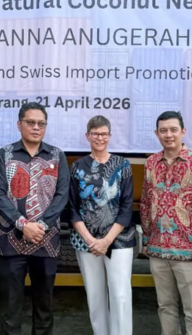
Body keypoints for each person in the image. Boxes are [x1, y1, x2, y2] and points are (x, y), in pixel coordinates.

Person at [0, 102, 70, 335]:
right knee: (10, 306)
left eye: (41, 124)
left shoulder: (57, 155)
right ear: (19, 125)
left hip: (46, 241)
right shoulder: (4, 154)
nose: (36, 127)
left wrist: (40, 226)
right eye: (31, 122)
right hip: (10, 241)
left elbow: (62, 195)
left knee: (44, 305)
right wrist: (23, 224)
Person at [140, 111, 192, 335]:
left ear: (183, 132)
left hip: (189, 251)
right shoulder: (151, 162)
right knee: (165, 306)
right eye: (163, 130)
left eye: (173, 130)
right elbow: (146, 203)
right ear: (157, 133)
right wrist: (146, 239)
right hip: (157, 249)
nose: (169, 135)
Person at [69, 115, 135, 335]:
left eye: (104, 134)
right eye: (95, 134)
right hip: (86, 241)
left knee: (120, 295)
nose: (100, 138)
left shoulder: (122, 165)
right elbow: (72, 208)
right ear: (87, 136)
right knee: (95, 296)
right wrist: (91, 240)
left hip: (119, 240)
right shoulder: (77, 167)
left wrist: (106, 240)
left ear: (110, 136)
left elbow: (127, 207)